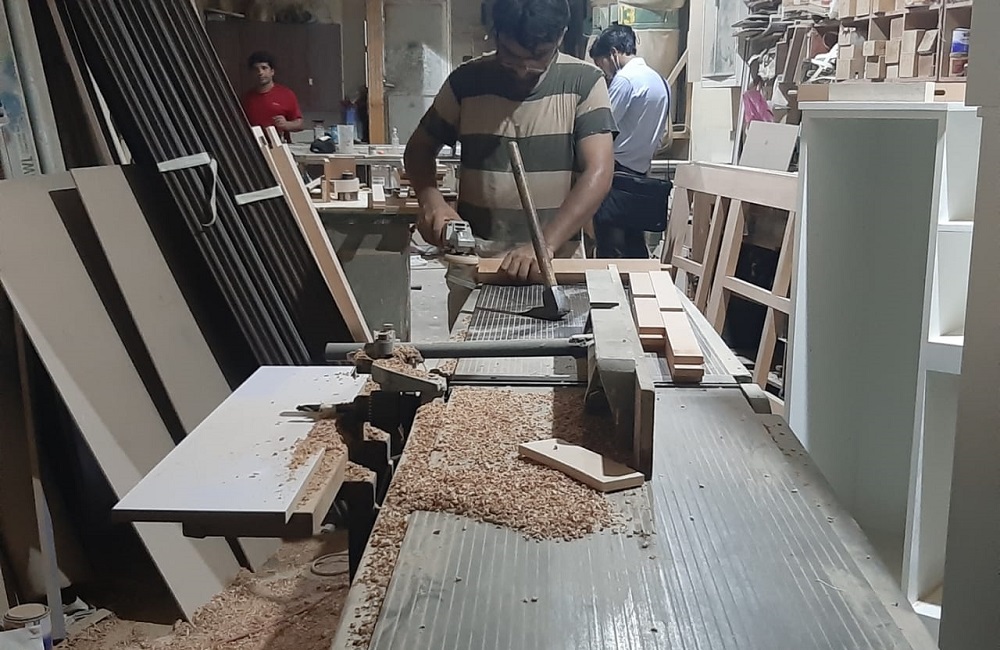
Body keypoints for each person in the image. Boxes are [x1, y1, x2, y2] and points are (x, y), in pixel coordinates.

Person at [405, 0, 616, 326]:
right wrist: (433, 202)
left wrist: (544, 244)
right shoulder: (466, 82)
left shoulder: (583, 81)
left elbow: (599, 171)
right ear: (496, 34)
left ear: (561, 36)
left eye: (537, 58)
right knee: (469, 352)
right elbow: (419, 149)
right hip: (476, 267)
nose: (522, 69)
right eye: (510, 56)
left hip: (555, 269)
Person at [588, 24, 671, 258]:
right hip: (641, 172)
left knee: (610, 247)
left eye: (601, 64)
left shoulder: (625, 80)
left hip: (616, 174)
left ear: (613, 53)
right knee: (635, 246)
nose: (604, 72)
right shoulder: (660, 81)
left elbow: (603, 125)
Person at [241, 51, 304, 141]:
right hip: (253, 145)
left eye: (264, 68)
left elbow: (300, 124)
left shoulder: (286, 94)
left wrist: (286, 124)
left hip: (280, 144)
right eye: (256, 69)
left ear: (272, 71)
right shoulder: (246, 98)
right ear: (251, 73)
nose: (260, 72)